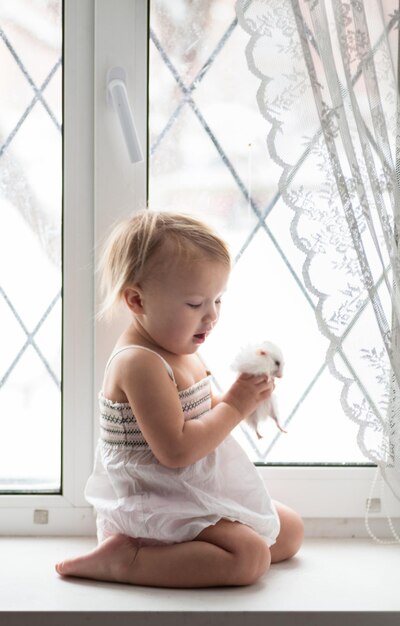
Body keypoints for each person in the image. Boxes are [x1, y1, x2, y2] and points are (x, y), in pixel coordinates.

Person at [55, 210, 303, 588]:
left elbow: (197, 416)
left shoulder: (179, 344)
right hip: (154, 501)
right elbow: (176, 450)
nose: (211, 316)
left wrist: (245, 398)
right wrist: (235, 405)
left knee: (288, 532)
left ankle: (177, 551)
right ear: (137, 301)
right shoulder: (140, 362)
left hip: (190, 489)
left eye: (218, 300)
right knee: (250, 557)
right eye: (195, 304)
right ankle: (129, 559)